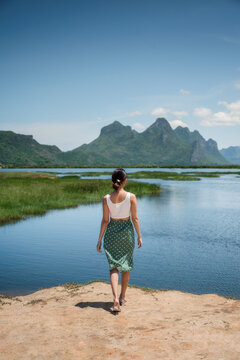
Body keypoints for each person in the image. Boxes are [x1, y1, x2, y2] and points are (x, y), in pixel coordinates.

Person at [96, 168, 143, 312]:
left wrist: (99, 239)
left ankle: (115, 298)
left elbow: (105, 220)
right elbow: (135, 218)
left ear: (113, 181)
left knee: (114, 267)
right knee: (126, 265)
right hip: (126, 232)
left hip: (111, 233)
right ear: (125, 181)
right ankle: (122, 297)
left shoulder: (106, 198)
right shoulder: (131, 197)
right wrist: (139, 235)